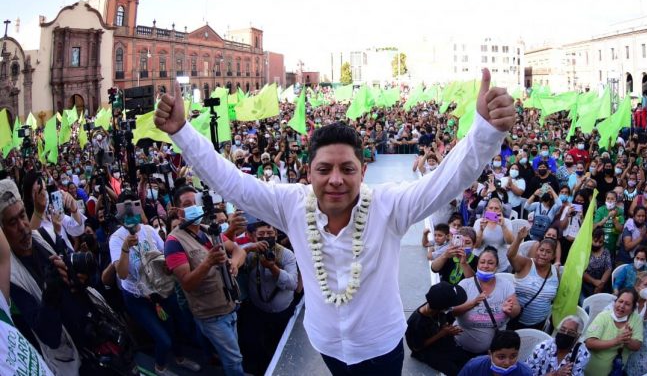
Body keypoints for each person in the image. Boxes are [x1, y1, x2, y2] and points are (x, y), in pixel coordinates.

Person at [154, 69, 516, 374]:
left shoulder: (389, 205)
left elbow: (446, 181)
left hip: (381, 347)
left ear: (363, 170)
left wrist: (484, 132)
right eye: (324, 169)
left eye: (347, 168)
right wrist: (182, 132)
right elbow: (230, 181)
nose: (336, 179)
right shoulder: (291, 204)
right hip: (326, 343)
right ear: (308, 172)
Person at [108, 190, 197, 375]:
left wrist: (166, 266)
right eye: (127, 209)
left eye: (135, 206)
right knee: (163, 339)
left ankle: (180, 358)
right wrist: (125, 248)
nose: (132, 213)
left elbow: (165, 255)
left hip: (160, 289)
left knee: (175, 325)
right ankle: (160, 367)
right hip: (137, 297)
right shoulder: (116, 239)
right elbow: (122, 274)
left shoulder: (148, 230)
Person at [163, 186, 247, 376]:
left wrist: (234, 263)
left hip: (230, 304)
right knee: (234, 360)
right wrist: (208, 262)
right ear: (178, 211)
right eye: (187, 204)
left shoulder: (209, 230)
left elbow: (238, 250)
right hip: (211, 314)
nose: (194, 207)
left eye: (196, 202)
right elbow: (187, 283)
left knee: (234, 355)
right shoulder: (174, 242)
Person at [0, 183, 54, 375]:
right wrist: (53, 292)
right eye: (12, 223)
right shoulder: (9, 282)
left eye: (23, 216)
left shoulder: (45, 237)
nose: (23, 227)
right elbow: (49, 335)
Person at [240, 221, 299, 375]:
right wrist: (246, 249)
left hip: (283, 312)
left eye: (270, 234)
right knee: (260, 344)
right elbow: (235, 255)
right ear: (253, 237)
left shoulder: (286, 255)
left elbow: (293, 283)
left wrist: (273, 268)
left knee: (282, 344)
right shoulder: (250, 254)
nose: (266, 238)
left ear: (276, 234)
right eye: (261, 235)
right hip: (258, 311)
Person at [454, 247, 520, 355]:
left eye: (490, 263)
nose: (485, 266)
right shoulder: (465, 284)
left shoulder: (505, 285)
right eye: (482, 262)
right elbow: (453, 312)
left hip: (489, 353)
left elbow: (517, 309)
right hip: (459, 348)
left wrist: (510, 309)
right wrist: (472, 303)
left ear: (496, 266)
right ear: (477, 264)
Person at [406, 281, 471, 376]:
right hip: (426, 350)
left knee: (467, 361)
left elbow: (445, 317)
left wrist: (446, 330)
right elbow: (417, 347)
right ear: (443, 308)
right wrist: (442, 333)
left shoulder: (434, 305)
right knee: (454, 371)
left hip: (441, 339)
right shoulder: (417, 323)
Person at [507, 228, 560, 330]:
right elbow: (510, 255)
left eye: (548, 252)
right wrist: (518, 238)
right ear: (536, 251)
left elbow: (555, 294)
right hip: (517, 321)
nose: (543, 254)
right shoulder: (526, 263)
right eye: (541, 250)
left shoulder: (555, 271)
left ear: (553, 256)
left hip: (539, 323)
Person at [583, 288, 643, 376]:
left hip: (616, 371)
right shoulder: (604, 316)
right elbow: (589, 343)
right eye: (620, 301)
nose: (622, 306)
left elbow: (637, 346)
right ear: (615, 302)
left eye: (627, 304)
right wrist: (616, 341)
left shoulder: (636, 319)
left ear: (633, 308)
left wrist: (627, 340)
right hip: (593, 371)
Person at [458, 329, 534, 376]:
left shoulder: (525, 373)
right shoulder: (473, 366)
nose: (507, 363)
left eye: (513, 356)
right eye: (501, 357)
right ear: (490, 354)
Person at [474, 199, 515, 272]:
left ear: (500, 210)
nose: (493, 211)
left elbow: (510, 242)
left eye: (496, 208)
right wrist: (481, 230)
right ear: (486, 209)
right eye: (491, 208)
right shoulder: (479, 222)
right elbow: (476, 245)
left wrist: (503, 226)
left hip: (500, 263)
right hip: (482, 263)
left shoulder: (507, 222)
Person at [582, 229, 612, 299]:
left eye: (600, 242)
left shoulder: (606, 252)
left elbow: (608, 269)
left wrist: (600, 285)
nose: (598, 244)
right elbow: (581, 271)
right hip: (586, 286)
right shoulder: (585, 251)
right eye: (595, 241)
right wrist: (594, 281)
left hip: (602, 285)